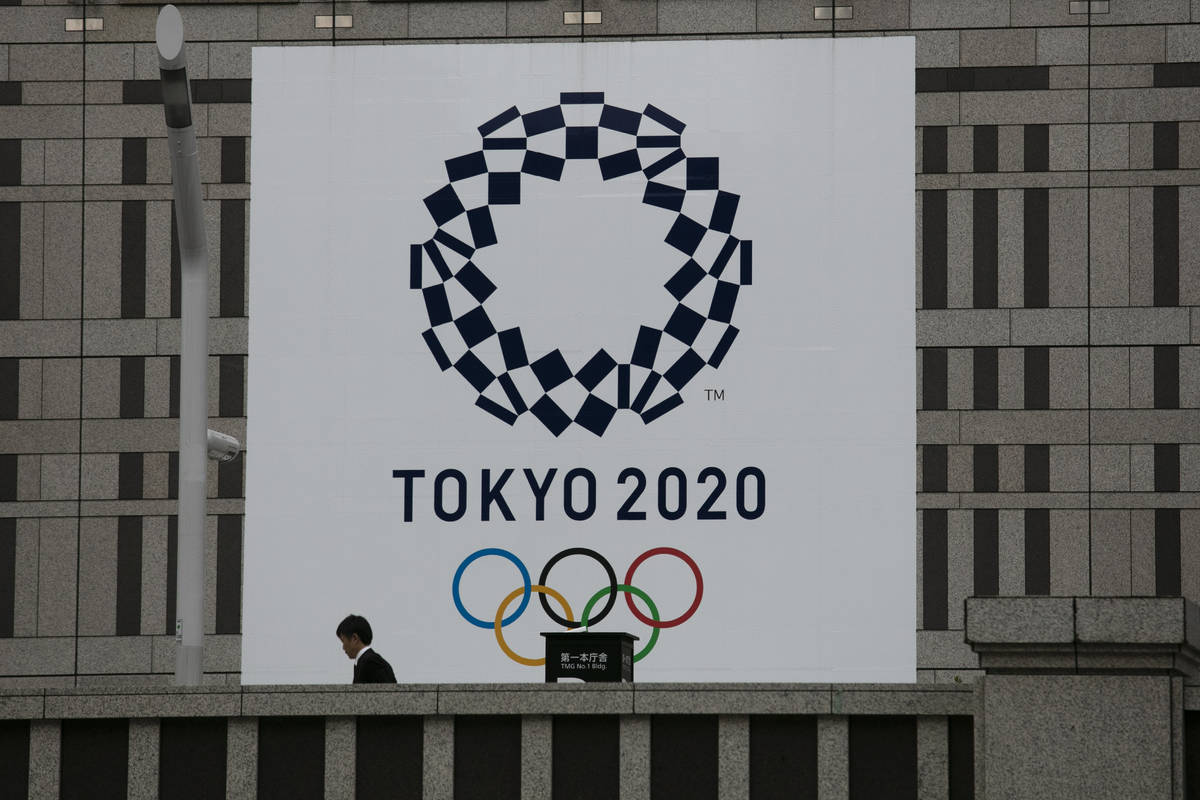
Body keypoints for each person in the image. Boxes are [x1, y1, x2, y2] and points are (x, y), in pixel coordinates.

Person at [335, 614, 397, 684]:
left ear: (354, 638)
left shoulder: (371, 662)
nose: (343, 647)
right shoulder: (364, 661)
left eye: (343, 641)